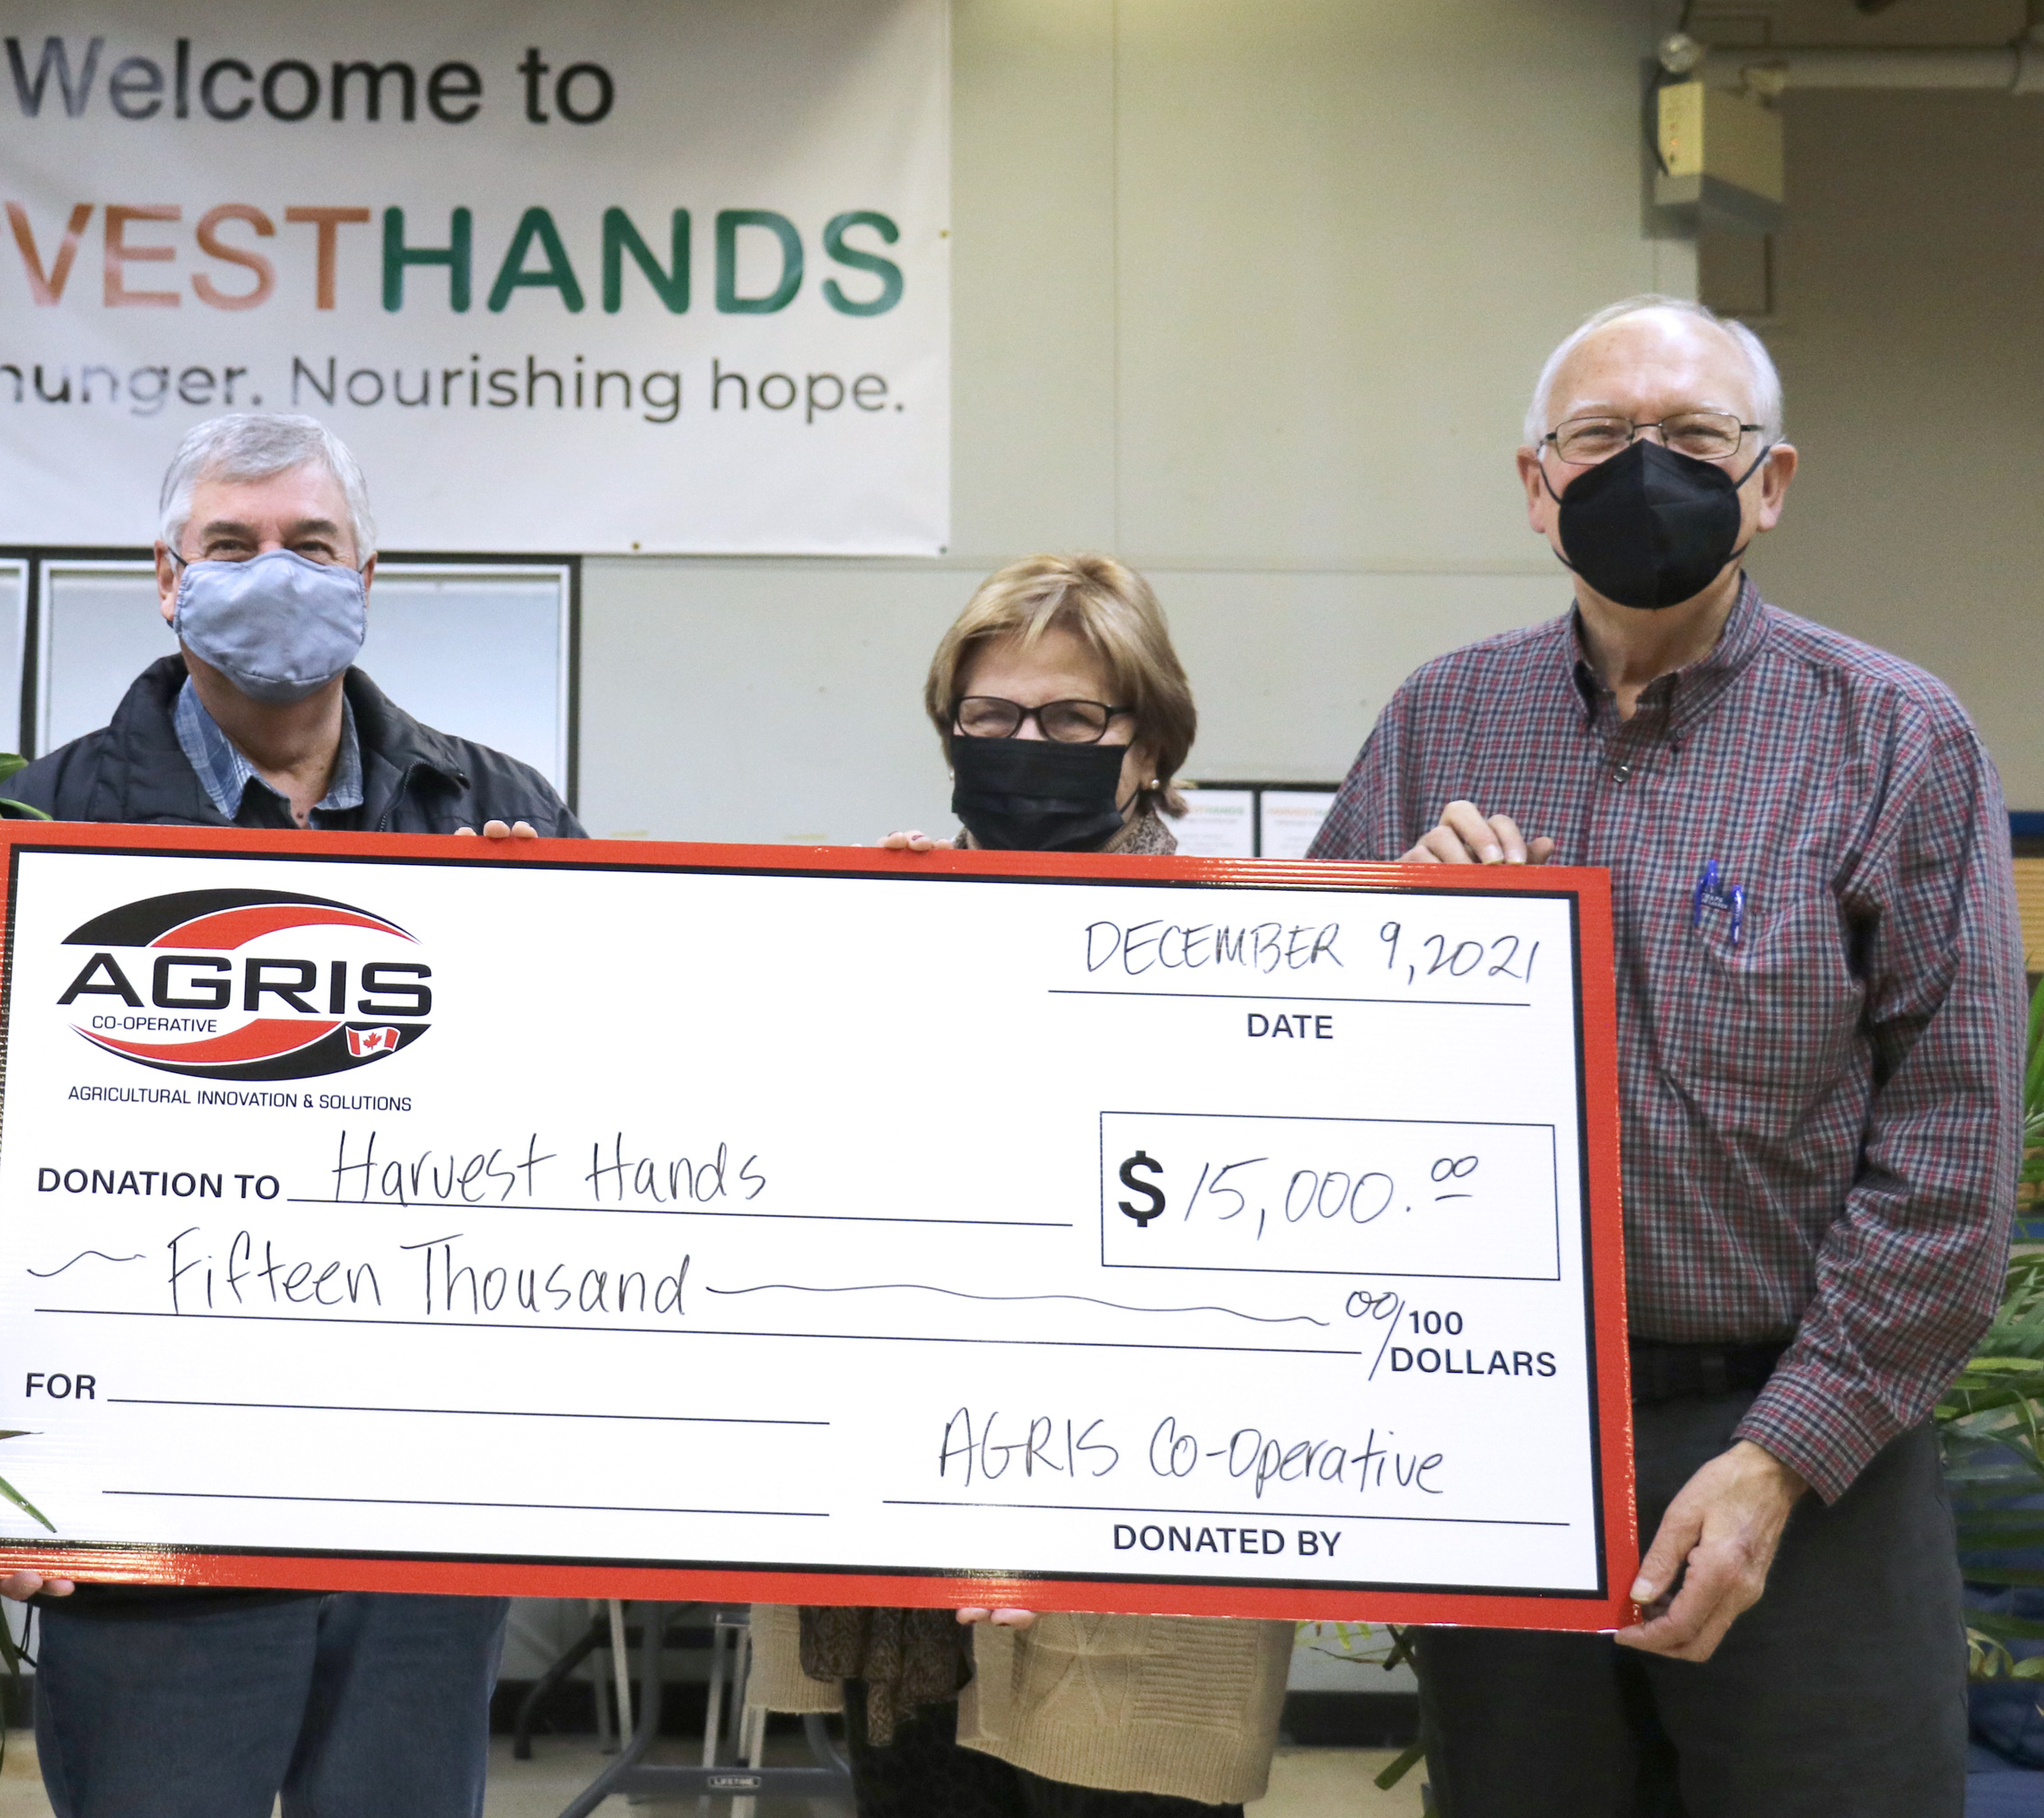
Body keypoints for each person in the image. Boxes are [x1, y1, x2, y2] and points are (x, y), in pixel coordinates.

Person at [1309, 293, 2024, 1815]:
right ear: (1534, 482)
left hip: (1805, 1437)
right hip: (1504, 1436)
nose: (1647, 469)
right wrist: (1402, 941)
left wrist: (1777, 1458)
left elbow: (1952, 1158)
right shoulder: (1441, 721)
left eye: (1695, 437)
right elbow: (1298, 1076)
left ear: (1768, 482)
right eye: (1601, 438)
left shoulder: (1895, 737)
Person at [0, 410, 581, 1818]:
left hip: (418, 1522)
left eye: (308, 544)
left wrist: (550, 948)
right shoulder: (33, 835)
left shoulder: (499, 815)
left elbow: (590, 1125)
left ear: (367, 573)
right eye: (232, 544)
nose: (273, 572)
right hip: (151, 1522)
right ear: (168, 578)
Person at [755, 555, 1294, 1817]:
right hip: (906, 1548)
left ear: (1149, 743)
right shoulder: (862, 928)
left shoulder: (1259, 956)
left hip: (1152, 1551)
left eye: (1069, 721)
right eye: (991, 719)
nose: (1024, 746)